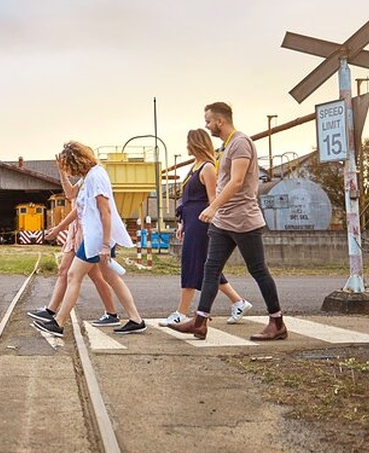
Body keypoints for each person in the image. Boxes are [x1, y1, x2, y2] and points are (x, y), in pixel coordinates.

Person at [169, 102, 286, 341]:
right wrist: (217, 213)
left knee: (258, 270)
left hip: (243, 219)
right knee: (210, 269)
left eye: (208, 121)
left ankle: (277, 322)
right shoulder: (227, 146)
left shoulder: (240, 143)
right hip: (224, 221)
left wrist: (213, 207)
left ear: (220, 121)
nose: (207, 125)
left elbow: (237, 181)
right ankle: (200, 322)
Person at [31, 141, 145, 337]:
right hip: (95, 236)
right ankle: (136, 319)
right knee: (110, 277)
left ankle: (58, 323)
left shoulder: (96, 177)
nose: (70, 170)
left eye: (69, 166)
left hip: (97, 238)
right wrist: (61, 173)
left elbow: (106, 211)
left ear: (77, 162)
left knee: (73, 275)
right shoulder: (88, 177)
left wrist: (106, 245)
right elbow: (70, 194)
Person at [159, 129, 252, 327]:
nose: (186, 146)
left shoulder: (208, 168)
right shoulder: (195, 166)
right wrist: (182, 223)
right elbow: (188, 199)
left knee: (192, 264)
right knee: (205, 267)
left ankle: (181, 313)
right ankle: (239, 302)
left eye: (188, 142)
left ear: (195, 144)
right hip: (191, 221)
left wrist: (214, 222)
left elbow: (212, 198)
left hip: (202, 223)